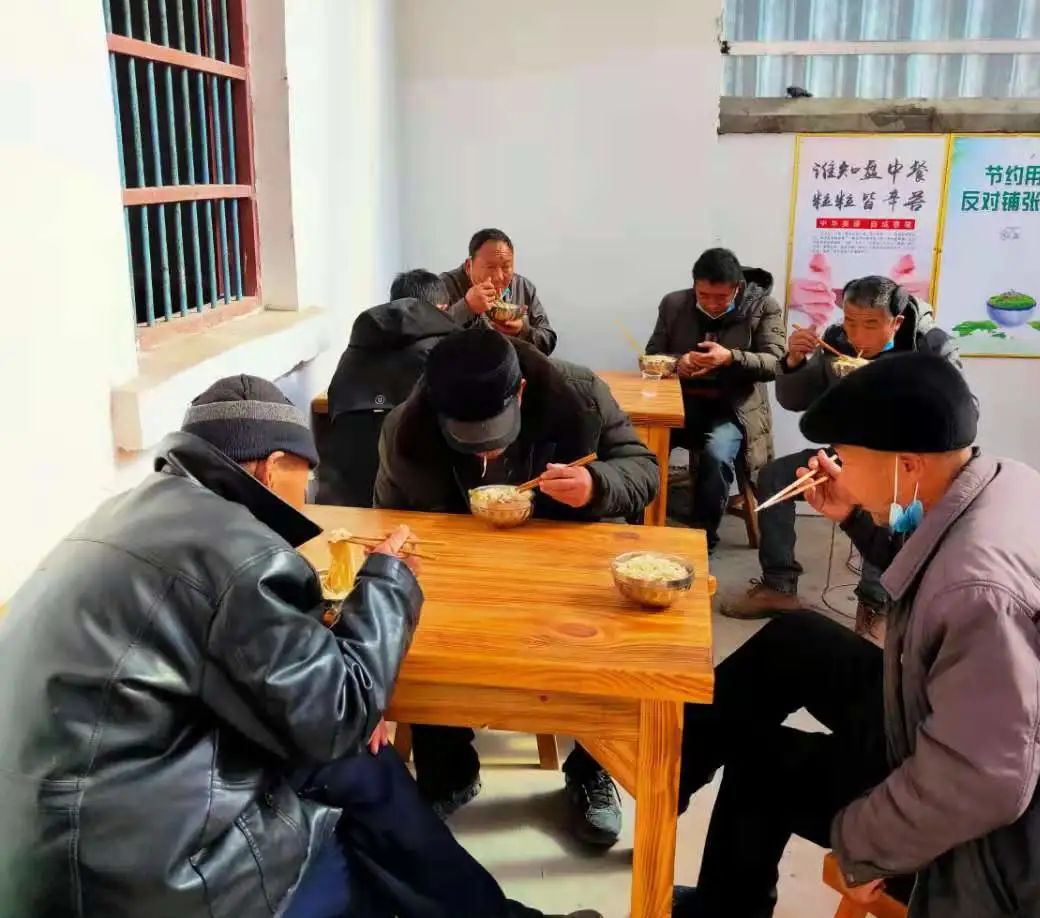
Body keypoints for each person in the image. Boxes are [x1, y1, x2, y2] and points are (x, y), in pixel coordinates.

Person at [0, 375, 605, 918]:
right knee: (348, 834)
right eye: (303, 473)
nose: (310, 491)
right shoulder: (231, 551)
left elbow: (265, 689)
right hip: (104, 904)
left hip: (42, 868)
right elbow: (336, 714)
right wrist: (390, 582)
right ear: (268, 465)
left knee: (349, 769)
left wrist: (339, 695)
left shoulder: (136, 513)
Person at [674, 352, 1040, 918]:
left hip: (1010, 837)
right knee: (798, 638)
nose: (833, 465)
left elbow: (987, 781)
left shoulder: (979, 592)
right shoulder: (1007, 482)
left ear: (907, 465)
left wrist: (868, 849)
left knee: (764, 762)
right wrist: (857, 516)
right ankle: (668, 776)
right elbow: (933, 562)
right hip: (982, 729)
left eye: (845, 455)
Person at [375, 327, 659, 845]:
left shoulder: (578, 395)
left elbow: (644, 469)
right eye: (468, 441)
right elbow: (388, 516)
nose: (485, 457)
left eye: (496, 437)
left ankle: (591, 769)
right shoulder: (407, 427)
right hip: (462, 569)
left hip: (568, 562)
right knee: (417, 625)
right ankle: (448, 771)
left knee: (607, 637)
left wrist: (596, 486)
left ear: (521, 392)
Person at [721, 275, 960, 638]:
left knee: (885, 506)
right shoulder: (836, 340)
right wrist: (794, 362)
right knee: (775, 477)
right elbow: (797, 401)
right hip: (849, 452)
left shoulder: (931, 345)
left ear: (896, 322)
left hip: (906, 462)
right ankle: (779, 586)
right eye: (850, 321)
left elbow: (961, 415)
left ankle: (875, 605)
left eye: (870, 324)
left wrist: (899, 392)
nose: (857, 335)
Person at [645, 248, 785, 549]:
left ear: (737, 288)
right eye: (703, 295)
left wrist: (731, 358)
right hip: (681, 403)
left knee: (717, 454)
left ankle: (701, 537)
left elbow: (777, 363)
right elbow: (653, 353)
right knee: (643, 444)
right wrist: (678, 362)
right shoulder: (674, 304)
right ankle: (643, 526)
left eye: (721, 297)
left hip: (733, 408)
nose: (711, 303)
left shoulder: (764, 307)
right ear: (694, 286)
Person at [316, 269, 458, 506]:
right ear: (443, 308)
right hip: (411, 493)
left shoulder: (359, 343)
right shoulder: (442, 350)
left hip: (343, 489)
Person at [441, 227, 557, 355]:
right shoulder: (442, 286)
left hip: (517, 363)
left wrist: (522, 330)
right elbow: (427, 342)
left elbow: (548, 341)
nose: (499, 277)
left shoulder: (523, 287)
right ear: (469, 266)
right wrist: (466, 307)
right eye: (490, 267)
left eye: (506, 266)